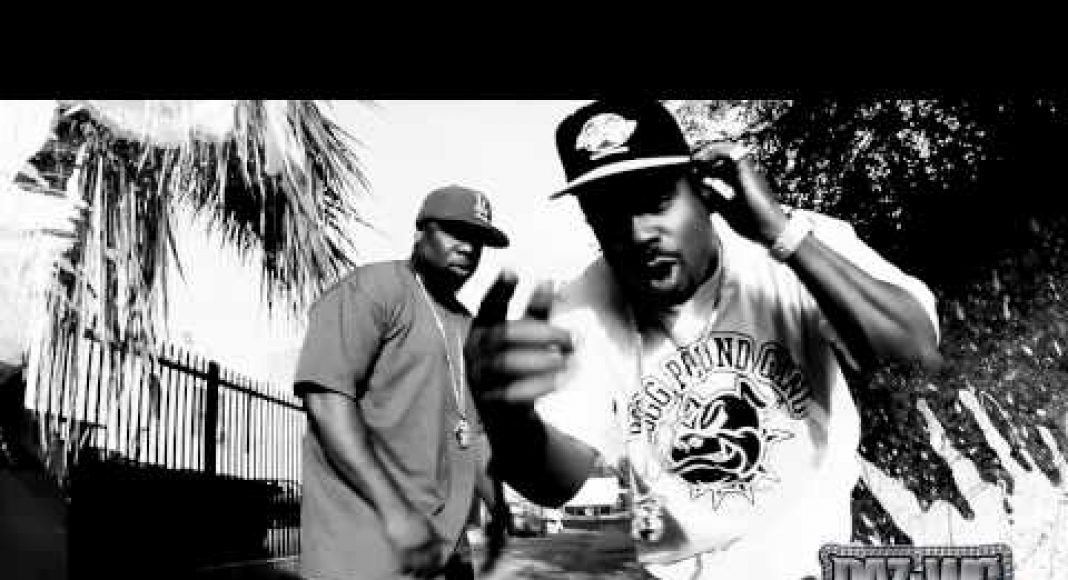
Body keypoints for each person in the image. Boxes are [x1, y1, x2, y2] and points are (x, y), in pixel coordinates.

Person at [464, 100, 943, 580]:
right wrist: (509, 421)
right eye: (607, 215)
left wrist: (781, 235)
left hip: (815, 558)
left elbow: (914, 354)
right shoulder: (580, 310)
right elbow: (559, 484)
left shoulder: (793, 242)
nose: (638, 233)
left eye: (656, 201)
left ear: (702, 190)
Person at [293, 184, 510, 580]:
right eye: (456, 232)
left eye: (478, 240)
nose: (468, 248)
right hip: (362, 548)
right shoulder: (374, 289)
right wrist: (397, 513)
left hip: (442, 549)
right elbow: (326, 400)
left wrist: (500, 505)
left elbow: (473, 433)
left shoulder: (466, 325)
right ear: (419, 232)